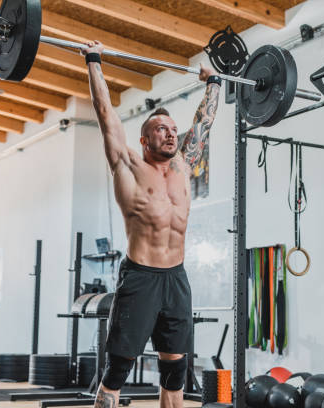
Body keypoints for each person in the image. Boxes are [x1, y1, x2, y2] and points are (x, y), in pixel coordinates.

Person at [82, 40, 221, 408]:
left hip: (176, 278)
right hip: (140, 277)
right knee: (117, 372)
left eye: (173, 129)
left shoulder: (184, 167)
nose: (171, 133)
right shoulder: (127, 165)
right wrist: (94, 60)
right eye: (161, 129)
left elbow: (204, 123)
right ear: (144, 139)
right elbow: (105, 114)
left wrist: (214, 84)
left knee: (175, 373)